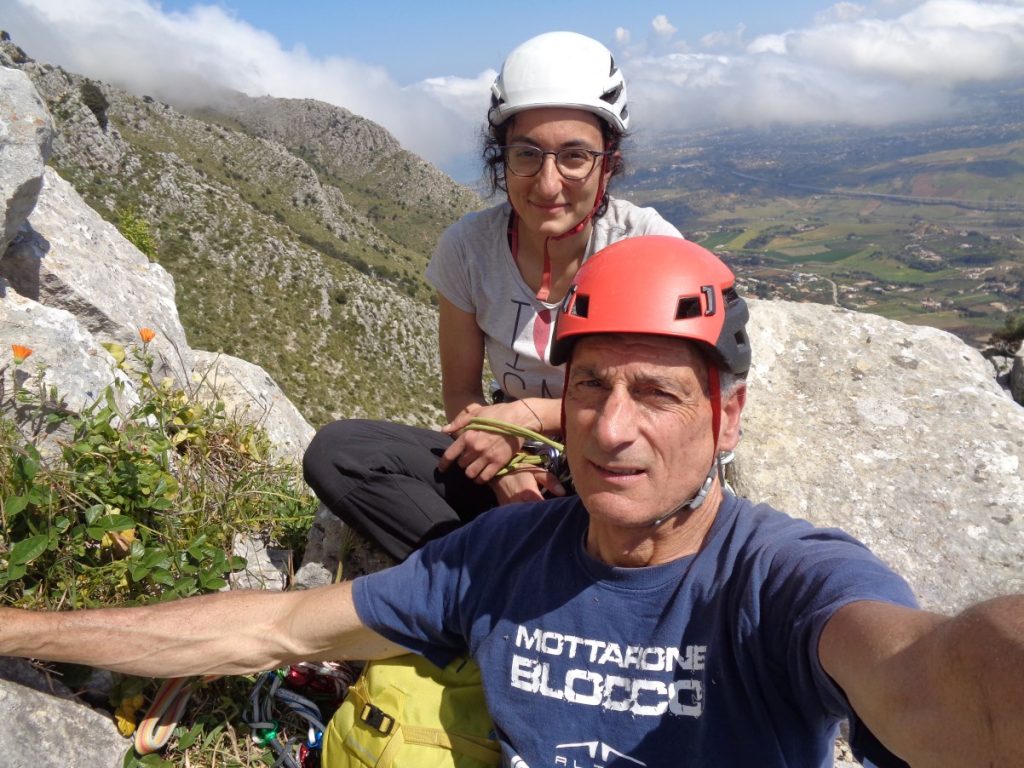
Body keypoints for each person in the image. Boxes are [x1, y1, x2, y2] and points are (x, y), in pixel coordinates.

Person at [2, 236, 1022, 767]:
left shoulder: (782, 581)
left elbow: (944, 681)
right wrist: (18, 627)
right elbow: (265, 627)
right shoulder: (504, 557)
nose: (614, 429)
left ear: (727, 417)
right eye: (590, 387)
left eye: (658, 393)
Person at [303, 31, 683, 562]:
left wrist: (525, 418)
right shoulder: (469, 249)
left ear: (608, 163)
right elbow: (461, 392)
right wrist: (508, 466)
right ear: (501, 159)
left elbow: (656, 404)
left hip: (609, 462)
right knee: (342, 453)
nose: (548, 183)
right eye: (527, 155)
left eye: (575, 156)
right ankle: (491, 578)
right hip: (516, 456)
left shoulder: (647, 249)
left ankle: (485, 573)